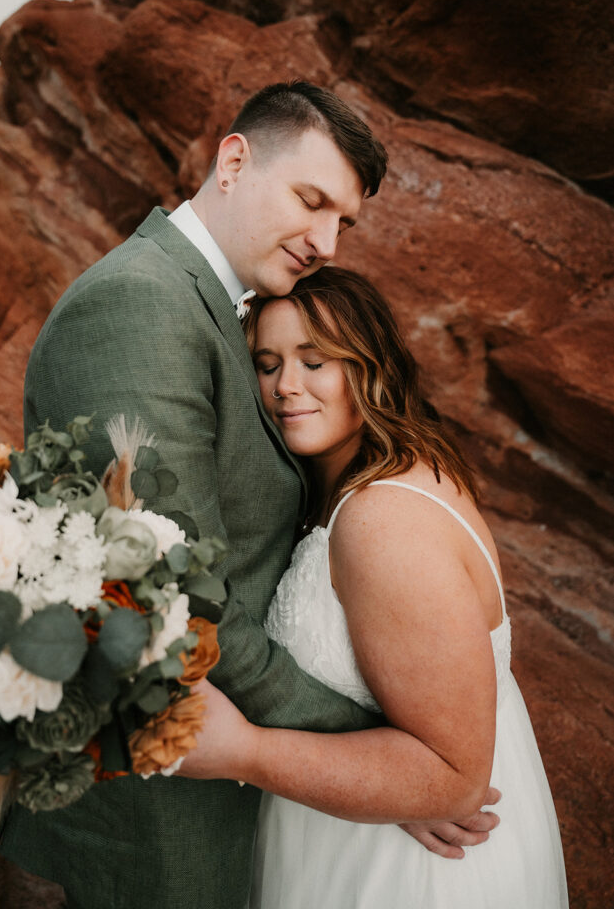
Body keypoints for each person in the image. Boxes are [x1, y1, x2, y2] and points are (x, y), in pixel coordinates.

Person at [0, 82, 498, 909]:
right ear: (233, 160)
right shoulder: (141, 305)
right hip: (157, 813)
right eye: (310, 200)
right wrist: (393, 764)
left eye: (343, 221)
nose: (326, 240)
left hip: (223, 781)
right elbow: (183, 602)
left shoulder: (213, 307)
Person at [177, 266, 569, 908]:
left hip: (409, 874)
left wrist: (244, 752)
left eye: (316, 360)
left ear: (371, 368)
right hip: (357, 830)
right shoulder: (350, 491)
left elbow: (453, 780)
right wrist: (390, 784)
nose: (285, 387)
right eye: (268, 363)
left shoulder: (384, 518)